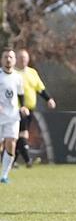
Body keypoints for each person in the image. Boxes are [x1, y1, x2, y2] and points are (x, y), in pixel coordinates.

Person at [15, 49, 56, 167]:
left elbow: (40, 88)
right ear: (16, 59)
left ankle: (12, 161)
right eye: (20, 57)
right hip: (16, 110)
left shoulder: (32, 72)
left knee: (18, 136)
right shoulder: (12, 74)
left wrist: (49, 99)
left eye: (25, 57)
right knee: (22, 134)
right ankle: (28, 160)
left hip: (29, 109)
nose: (23, 60)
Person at [0, 48, 28, 183]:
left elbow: (20, 95)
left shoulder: (18, 77)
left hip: (12, 116)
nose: (8, 59)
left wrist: (23, 106)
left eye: (11, 57)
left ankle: (4, 176)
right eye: (5, 57)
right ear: (1, 59)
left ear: (14, 60)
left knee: (11, 144)